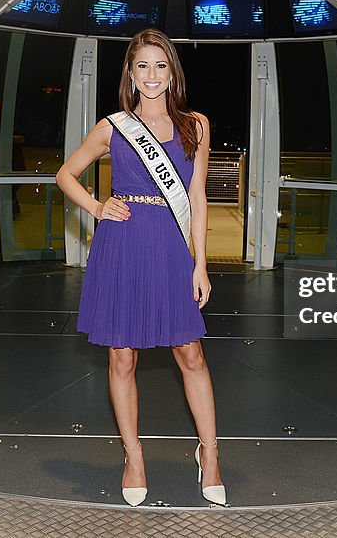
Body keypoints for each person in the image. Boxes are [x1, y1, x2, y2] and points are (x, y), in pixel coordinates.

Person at [55, 28, 225, 507]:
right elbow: (65, 175)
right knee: (121, 356)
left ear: (173, 72)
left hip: (172, 248)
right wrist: (96, 206)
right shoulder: (113, 126)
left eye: (161, 65)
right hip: (123, 244)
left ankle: (209, 454)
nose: (152, 76)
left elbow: (196, 195)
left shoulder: (196, 125)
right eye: (142, 66)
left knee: (190, 352)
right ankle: (133, 456)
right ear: (130, 72)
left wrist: (201, 264)